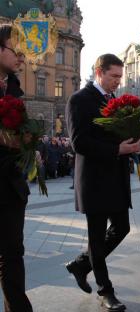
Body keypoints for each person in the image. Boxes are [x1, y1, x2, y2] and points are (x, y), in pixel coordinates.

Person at [65, 54, 140, 311]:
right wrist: (116, 149)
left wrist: (133, 142)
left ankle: (81, 264)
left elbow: (115, 135)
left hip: (116, 178)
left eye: (120, 77)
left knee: (122, 228)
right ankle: (105, 290)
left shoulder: (113, 101)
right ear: (99, 72)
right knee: (97, 238)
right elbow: (79, 143)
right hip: (94, 180)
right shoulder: (79, 100)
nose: (118, 82)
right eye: (114, 76)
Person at [0, 24, 33, 312]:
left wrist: (24, 140)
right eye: (16, 51)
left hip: (10, 186)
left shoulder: (14, 87)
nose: (21, 57)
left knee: (13, 254)